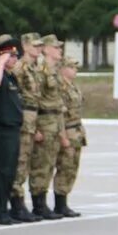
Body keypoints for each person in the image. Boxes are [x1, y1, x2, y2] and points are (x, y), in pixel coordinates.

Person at [28, 35, 69, 220]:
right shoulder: (41, 69)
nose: (60, 50)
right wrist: (35, 127)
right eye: (56, 47)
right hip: (44, 121)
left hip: (54, 121)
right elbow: (35, 99)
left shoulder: (54, 70)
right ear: (46, 49)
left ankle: (43, 202)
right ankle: (38, 204)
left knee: (50, 163)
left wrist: (61, 130)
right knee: (41, 165)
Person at [0, 38, 24, 224]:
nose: (14, 59)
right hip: (1, 130)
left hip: (13, 129)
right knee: (0, 173)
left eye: (15, 56)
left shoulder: (11, 77)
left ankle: (2, 208)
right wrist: (0, 61)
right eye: (11, 55)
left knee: (9, 172)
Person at [9, 34, 43, 222]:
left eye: (40, 46)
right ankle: (16, 203)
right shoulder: (20, 68)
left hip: (33, 117)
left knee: (27, 162)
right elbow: (16, 97)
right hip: (24, 118)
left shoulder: (35, 68)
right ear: (25, 46)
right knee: (20, 163)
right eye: (35, 45)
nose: (38, 49)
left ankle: (21, 203)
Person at [53, 59, 84, 218]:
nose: (75, 70)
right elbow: (59, 114)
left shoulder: (73, 86)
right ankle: (60, 203)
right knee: (64, 167)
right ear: (62, 68)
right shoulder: (60, 88)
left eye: (75, 67)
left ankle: (64, 201)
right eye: (71, 67)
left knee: (72, 168)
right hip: (67, 131)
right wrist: (62, 135)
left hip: (76, 131)